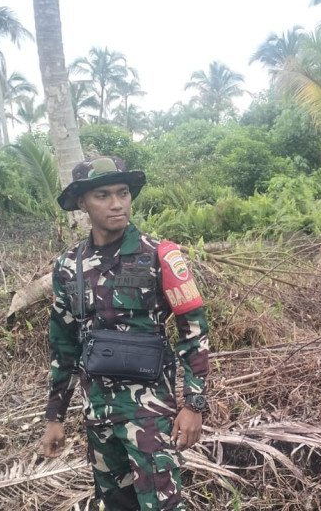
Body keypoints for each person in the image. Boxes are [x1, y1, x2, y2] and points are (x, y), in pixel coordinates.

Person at [40, 156, 210, 511]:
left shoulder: (160, 255)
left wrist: (194, 405)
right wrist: (55, 416)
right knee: (117, 505)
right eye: (102, 195)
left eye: (123, 193)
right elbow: (64, 344)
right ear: (82, 204)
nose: (117, 204)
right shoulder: (68, 266)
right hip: (97, 414)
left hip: (148, 414)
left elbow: (193, 331)